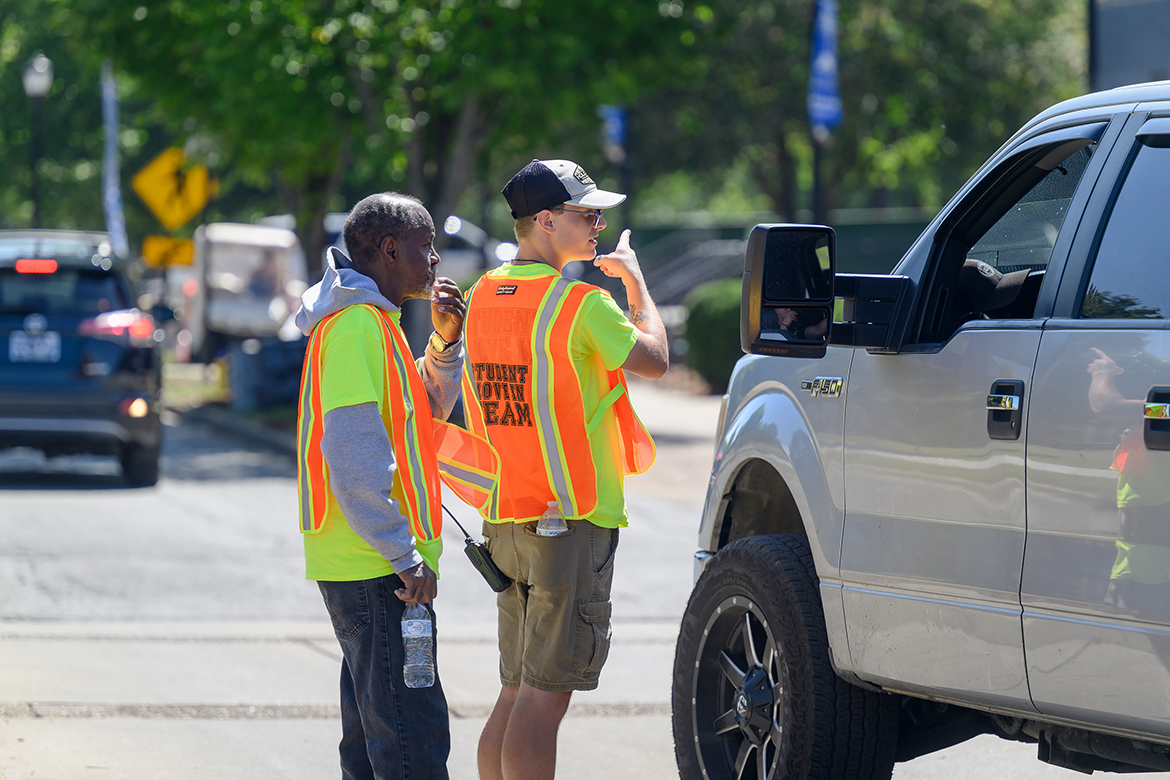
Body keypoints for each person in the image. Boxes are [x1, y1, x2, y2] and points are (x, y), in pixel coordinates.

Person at [468, 159, 669, 780]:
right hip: (569, 520)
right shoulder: (579, 303)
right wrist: (636, 286)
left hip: (504, 519)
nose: (599, 222)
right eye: (587, 214)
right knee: (544, 697)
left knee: (513, 690)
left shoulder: (481, 294)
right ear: (547, 222)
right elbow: (657, 359)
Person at [294, 192, 467, 780]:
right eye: (427, 247)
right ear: (390, 250)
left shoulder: (375, 323)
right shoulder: (356, 327)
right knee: (411, 738)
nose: (437, 260)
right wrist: (403, 553)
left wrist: (445, 344)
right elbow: (351, 451)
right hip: (378, 567)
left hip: (373, 563)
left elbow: (422, 413)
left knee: (374, 740)